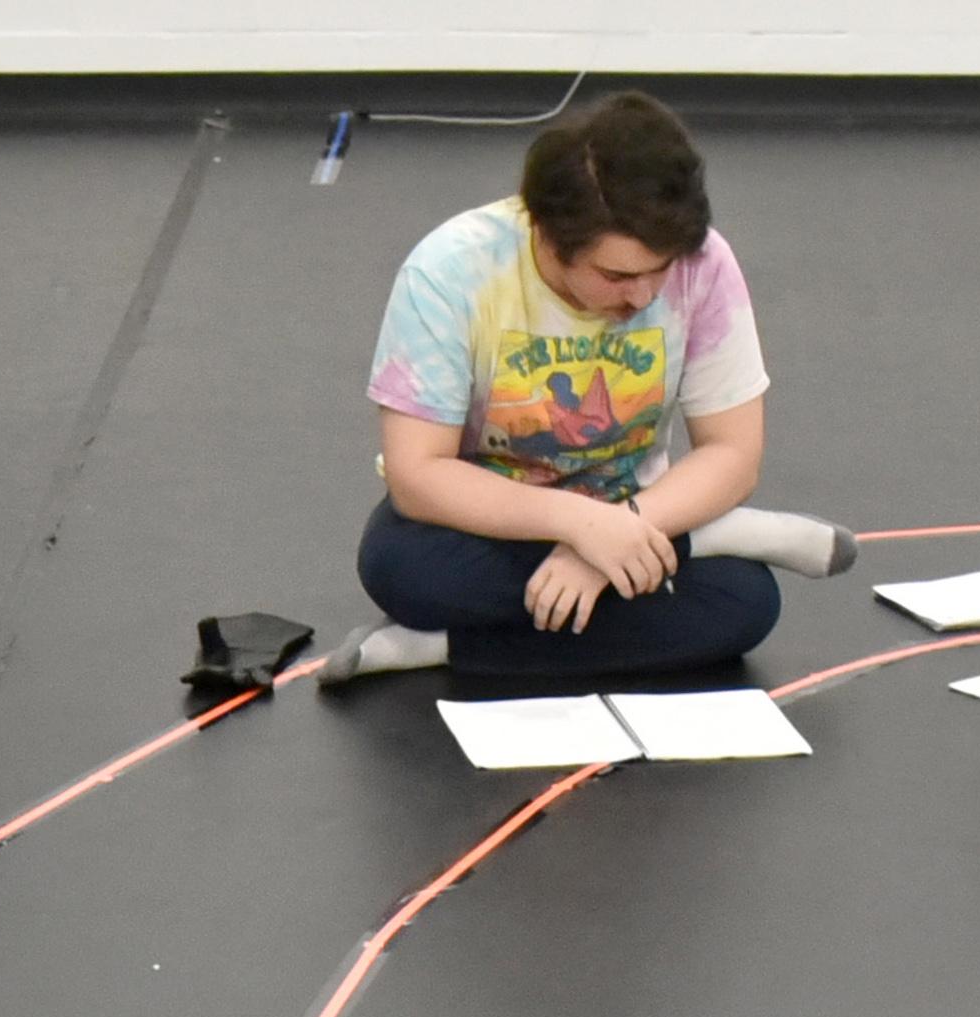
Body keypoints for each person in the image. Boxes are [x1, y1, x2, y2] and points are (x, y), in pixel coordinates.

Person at [320, 86, 848, 688]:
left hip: (640, 514)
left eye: (660, 271)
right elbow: (419, 476)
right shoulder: (449, 273)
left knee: (746, 605)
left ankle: (442, 647)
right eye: (616, 275)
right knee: (403, 569)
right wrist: (579, 526)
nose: (643, 296)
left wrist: (616, 531)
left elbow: (733, 452)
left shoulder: (706, 264)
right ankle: (703, 540)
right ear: (546, 235)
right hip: (492, 527)